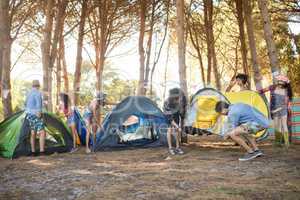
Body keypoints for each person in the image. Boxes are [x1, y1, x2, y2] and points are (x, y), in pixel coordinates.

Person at [258, 73, 293, 147]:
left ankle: (286, 143)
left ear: (284, 83)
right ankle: (278, 142)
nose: (279, 82)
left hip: (282, 110)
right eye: (278, 80)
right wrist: (257, 90)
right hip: (274, 109)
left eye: (281, 81)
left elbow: (285, 105)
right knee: (278, 126)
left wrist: (277, 110)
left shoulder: (286, 91)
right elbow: (262, 91)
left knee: (284, 125)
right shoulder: (272, 87)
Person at [25, 80, 46, 156]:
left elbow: (25, 104)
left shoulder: (28, 93)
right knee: (42, 132)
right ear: (38, 86)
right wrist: (39, 114)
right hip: (36, 114)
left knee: (33, 132)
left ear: (32, 85)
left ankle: (33, 152)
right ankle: (42, 151)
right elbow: (38, 105)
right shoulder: (38, 93)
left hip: (29, 115)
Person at [163, 88, 185, 155]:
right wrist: (177, 126)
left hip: (176, 115)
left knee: (176, 131)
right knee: (170, 129)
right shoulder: (167, 102)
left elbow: (181, 114)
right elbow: (169, 118)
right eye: (178, 98)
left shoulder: (181, 101)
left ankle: (178, 147)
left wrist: (180, 126)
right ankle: (170, 148)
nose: (179, 100)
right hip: (168, 115)